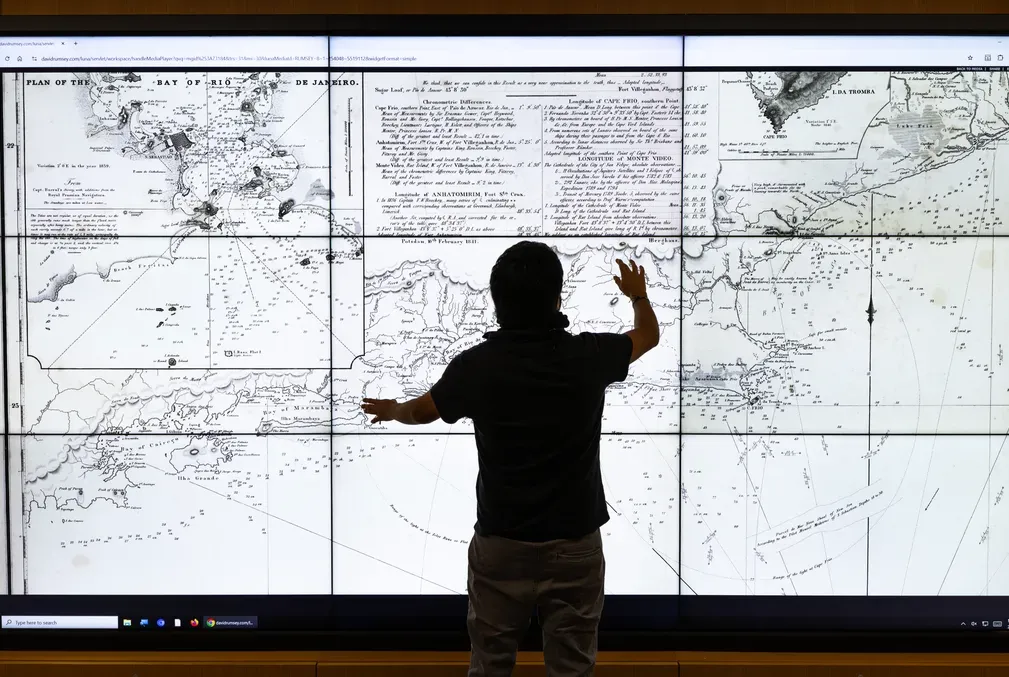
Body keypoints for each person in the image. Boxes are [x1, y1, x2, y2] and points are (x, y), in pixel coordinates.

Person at [361, 241, 660, 677]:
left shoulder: (477, 366)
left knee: (490, 666)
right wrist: (637, 295)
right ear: (557, 299)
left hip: (500, 546)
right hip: (575, 546)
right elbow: (648, 336)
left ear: (497, 302)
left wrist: (390, 409)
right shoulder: (589, 356)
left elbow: (421, 412)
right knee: (573, 670)